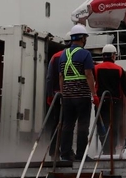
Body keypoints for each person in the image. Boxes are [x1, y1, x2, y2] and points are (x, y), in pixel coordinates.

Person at [59, 24, 98, 161]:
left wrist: (64, 94)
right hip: (82, 96)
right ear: (82, 38)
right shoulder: (85, 54)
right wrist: (94, 94)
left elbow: (61, 77)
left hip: (68, 96)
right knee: (83, 125)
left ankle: (65, 154)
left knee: (67, 124)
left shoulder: (63, 54)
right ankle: (81, 155)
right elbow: (88, 75)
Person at [94, 44, 126, 154]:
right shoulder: (119, 70)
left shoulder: (96, 69)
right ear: (113, 56)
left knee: (101, 125)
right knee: (114, 127)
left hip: (101, 102)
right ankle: (112, 150)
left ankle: (105, 149)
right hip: (115, 103)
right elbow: (125, 88)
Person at [45, 31, 70, 159]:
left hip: (56, 95)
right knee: (68, 123)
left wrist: (50, 95)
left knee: (57, 122)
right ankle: (66, 150)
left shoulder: (55, 57)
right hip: (70, 96)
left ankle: (53, 152)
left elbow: (49, 78)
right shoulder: (76, 56)